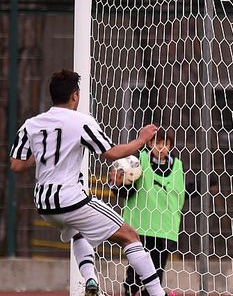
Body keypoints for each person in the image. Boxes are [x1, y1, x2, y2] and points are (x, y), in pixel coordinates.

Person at [9, 69, 167, 296]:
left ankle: (91, 281)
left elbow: (16, 165)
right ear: (75, 95)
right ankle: (157, 292)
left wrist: (41, 152)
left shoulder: (31, 124)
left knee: (77, 231)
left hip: (44, 204)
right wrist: (141, 139)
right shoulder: (81, 122)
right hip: (70, 199)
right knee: (129, 236)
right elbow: (112, 153)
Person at [109, 129, 185, 296]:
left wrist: (203, 185)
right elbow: (127, 192)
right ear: (150, 144)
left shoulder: (178, 166)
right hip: (140, 225)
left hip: (164, 227)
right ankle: (129, 291)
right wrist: (116, 185)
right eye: (157, 143)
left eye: (165, 144)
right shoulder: (138, 162)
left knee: (157, 270)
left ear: (170, 147)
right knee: (136, 268)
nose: (161, 147)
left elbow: (181, 194)